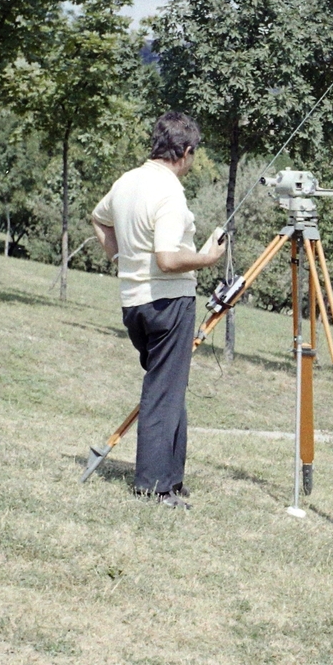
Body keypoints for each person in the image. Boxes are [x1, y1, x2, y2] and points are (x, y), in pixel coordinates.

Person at [91, 113, 226, 508]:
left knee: (170, 389)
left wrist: (120, 258)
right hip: (168, 302)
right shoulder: (169, 191)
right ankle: (153, 486)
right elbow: (168, 259)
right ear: (184, 152)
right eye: (193, 154)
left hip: (133, 303)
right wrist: (207, 258)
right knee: (162, 392)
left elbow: (99, 219)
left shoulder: (126, 181)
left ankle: (172, 477)